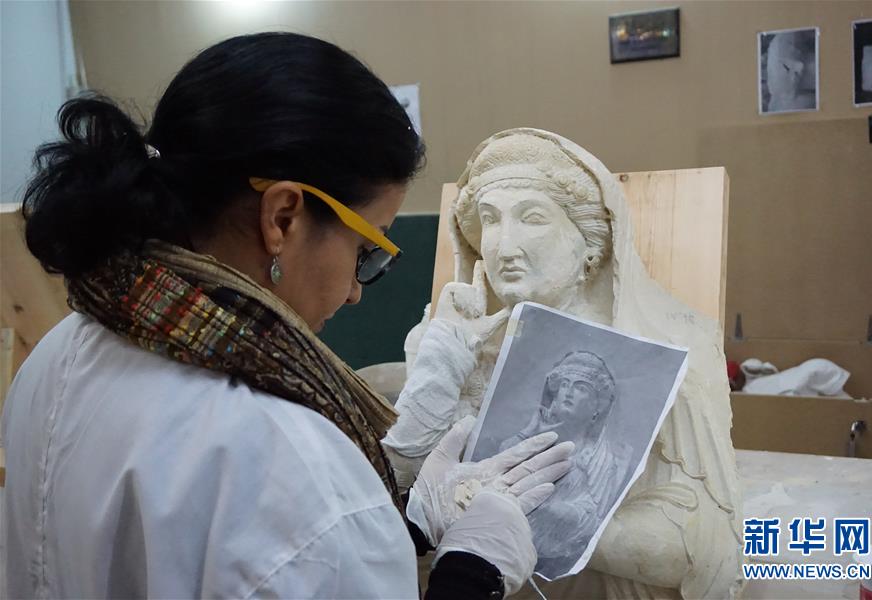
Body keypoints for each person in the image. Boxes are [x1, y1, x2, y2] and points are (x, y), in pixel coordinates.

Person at [1, 34, 573, 599]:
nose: (355, 291)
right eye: (366, 249)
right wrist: (471, 575)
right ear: (282, 217)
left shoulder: (58, 353)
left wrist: (410, 525)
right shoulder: (290, 464)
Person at [394, 129, 744, 599]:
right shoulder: (447, 341)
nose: (503, 245)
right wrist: (438, 365)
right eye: (490, 220)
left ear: (590, 242)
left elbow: (704, 545)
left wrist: (536, 518)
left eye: (532, 218)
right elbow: (401, 494)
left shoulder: (674, 346)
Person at [499, 351, 633, 579]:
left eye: (581, 388)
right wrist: (529, 433)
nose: (568, 392)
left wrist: (549, 507)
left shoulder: (607, 461)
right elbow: (497, 469)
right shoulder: (535, 435)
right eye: (564, 385)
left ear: (597, 407)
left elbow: (590, 518)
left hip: (549, 560)